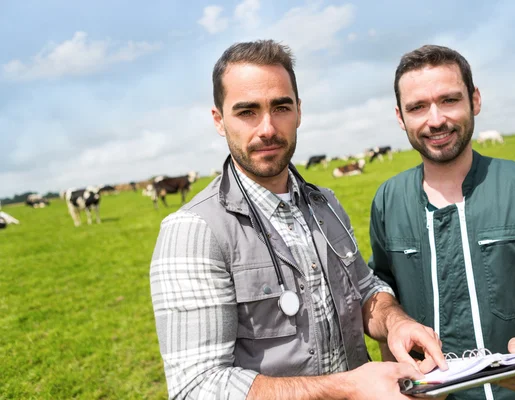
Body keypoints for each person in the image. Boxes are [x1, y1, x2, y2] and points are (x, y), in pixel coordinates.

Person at [150, 40, 448, 400]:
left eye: (280, 107)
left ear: (299, 112)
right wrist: (348, 388)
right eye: (247, 112)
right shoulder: (194, 231)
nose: (268, 128)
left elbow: (365, 291)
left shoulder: (325, 203)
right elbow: (196, 388)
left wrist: (395, 322)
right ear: (219, 120)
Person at [368, 44, 515, 400]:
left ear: (474, 100)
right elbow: (382, 293)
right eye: (417, 107)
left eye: (449, 100)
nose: (435, 119)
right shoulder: (388, 199)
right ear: (400, 117)